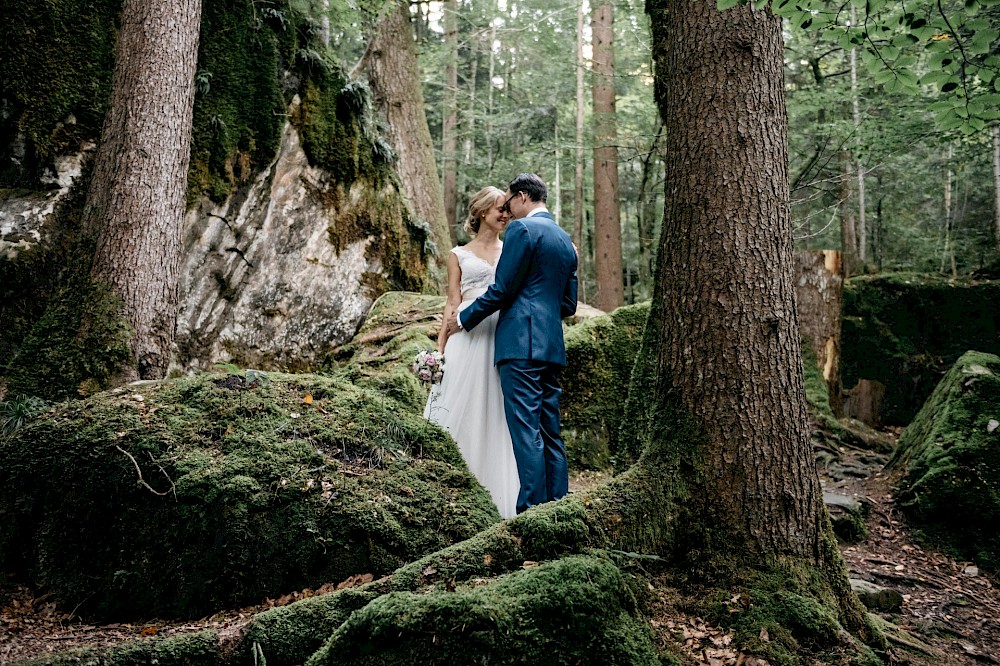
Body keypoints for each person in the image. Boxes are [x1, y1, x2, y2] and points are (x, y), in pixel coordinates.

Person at [446, 173, 578, 514]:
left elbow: (503, 290)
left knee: (525, 430)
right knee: (551, 432)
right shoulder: (565, 240)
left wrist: (462, 318)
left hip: (519, 345)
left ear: (522, 197)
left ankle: (531, 511)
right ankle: (558, 508)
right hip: (551, 347)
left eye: (509, 201)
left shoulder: (522, 231)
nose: (508, 211)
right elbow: (568, 305)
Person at [424, 186, 519, 519]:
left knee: (497, 410)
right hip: (466, 337)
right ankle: (450, 489)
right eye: (499, 209)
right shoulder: (458, 254)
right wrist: (440, 350)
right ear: (481, 213)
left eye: (507, 209)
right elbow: (452, 302)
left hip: (502, 335)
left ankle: (499, 493)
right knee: (459, 406)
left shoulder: (512, 250)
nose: (505, 214)